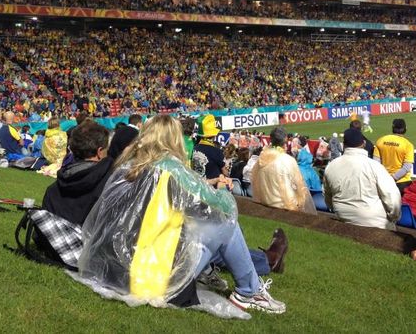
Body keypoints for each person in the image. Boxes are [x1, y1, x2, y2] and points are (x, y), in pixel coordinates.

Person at [77, 115, 286, 314]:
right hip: (153, 279)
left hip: (115, 271)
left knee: (199, 227)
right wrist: (221, 188)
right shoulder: (171, 168)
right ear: (174, 138)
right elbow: (223, 208)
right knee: (226, 224)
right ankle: (249, 292)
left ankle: (239, 282)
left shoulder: (127, 166)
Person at [34, 121, 114, 267]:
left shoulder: (54, 189)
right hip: (88, 254)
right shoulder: (109, 183)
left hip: (57, 249)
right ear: (99, 151)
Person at [323, 128, 401, 230]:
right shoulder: (374, 166)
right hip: (375, 223)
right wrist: (394, 217)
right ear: (363, 143)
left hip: (343, 217)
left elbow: (327, 197)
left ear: (344, 144)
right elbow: (392, 196)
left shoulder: (331, 166)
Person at [250, 127, 316, 213]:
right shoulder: (288, 160)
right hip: (284, 207)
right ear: (285, 141)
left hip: (265, 202)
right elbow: (300, 188)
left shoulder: (261, 159)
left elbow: (254, 182)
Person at [374, 119, 414, 194]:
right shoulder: (408, 144)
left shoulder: (381, 140)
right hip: (402, 182)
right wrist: (393, 178)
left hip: (384, 181)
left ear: (393, 128)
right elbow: (407, 167)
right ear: (406, 128)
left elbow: (376, 163)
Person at [192, 114, 228, 180]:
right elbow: (226, 172)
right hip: (213, 188)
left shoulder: (193, 148)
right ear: (214, 135)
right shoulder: (216, 151)